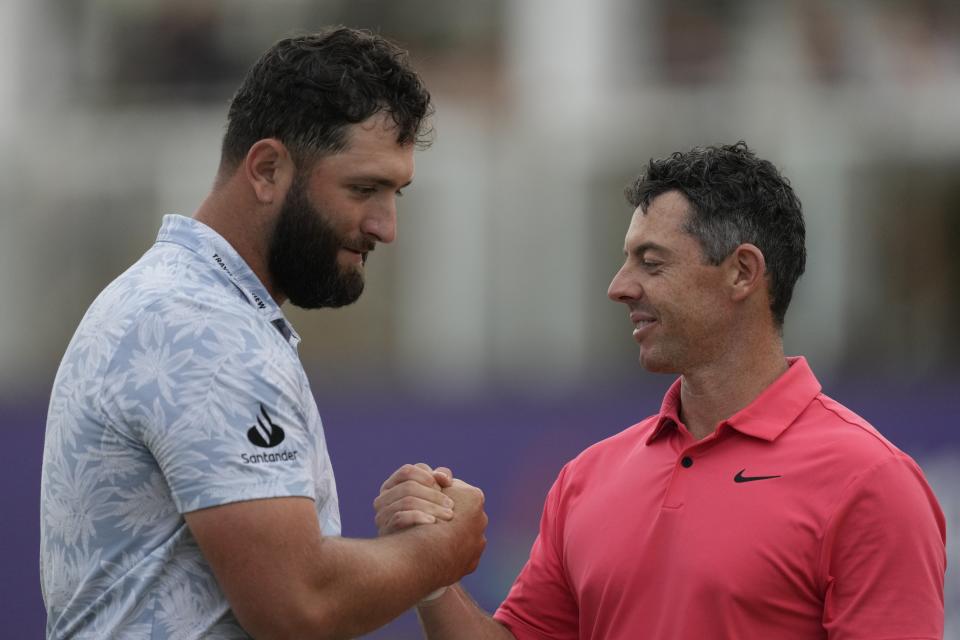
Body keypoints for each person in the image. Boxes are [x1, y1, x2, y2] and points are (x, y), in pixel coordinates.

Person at [375, 142, 947, 639]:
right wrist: (432, 579)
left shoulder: (870, 482)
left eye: (651, 263)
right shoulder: (585, 479)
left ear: (743, 273)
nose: (619, 288)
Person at [40, 27, 487, 639]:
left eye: (396, 192)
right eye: (364, 189)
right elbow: (299, 604)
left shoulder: (175, 300)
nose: (386, 227)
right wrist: (443, 550)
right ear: (268, 168)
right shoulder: (201, 328)